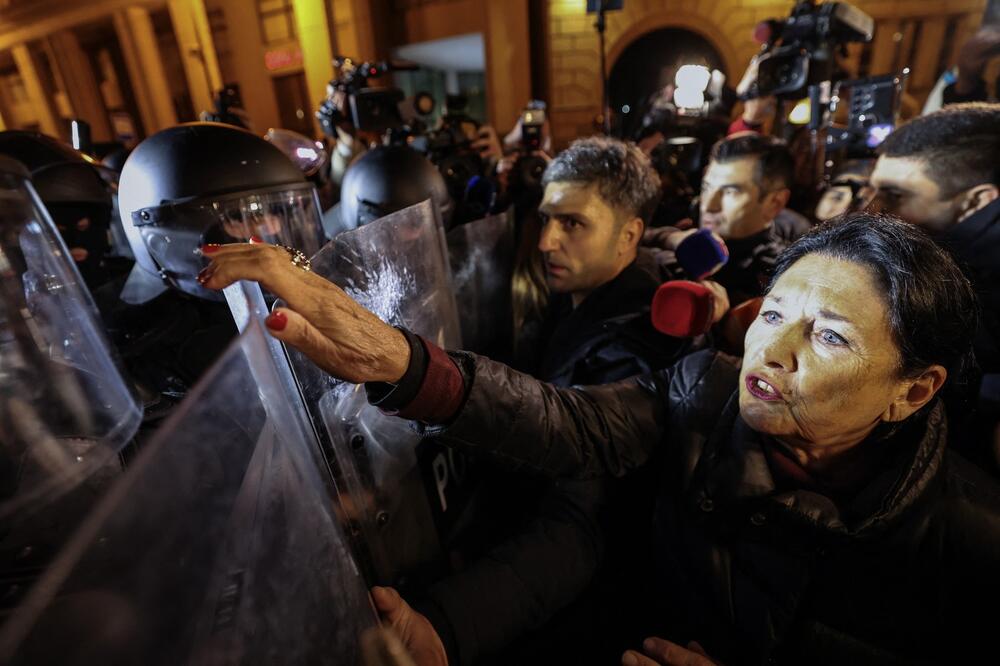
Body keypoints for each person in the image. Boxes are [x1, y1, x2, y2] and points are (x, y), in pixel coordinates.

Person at [200, 212, 1000, 665]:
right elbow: (569, 424)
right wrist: (399, 361)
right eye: (777, 313)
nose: (774, 353)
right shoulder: (702, 389)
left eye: (829, 338)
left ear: (914, 389)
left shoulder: (973, 541)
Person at [693, 133, 803, 305]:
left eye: (730, 192)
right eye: (706, 188)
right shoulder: (682, 243)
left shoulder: (781, 282)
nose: (708, 206)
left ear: (775, 203)